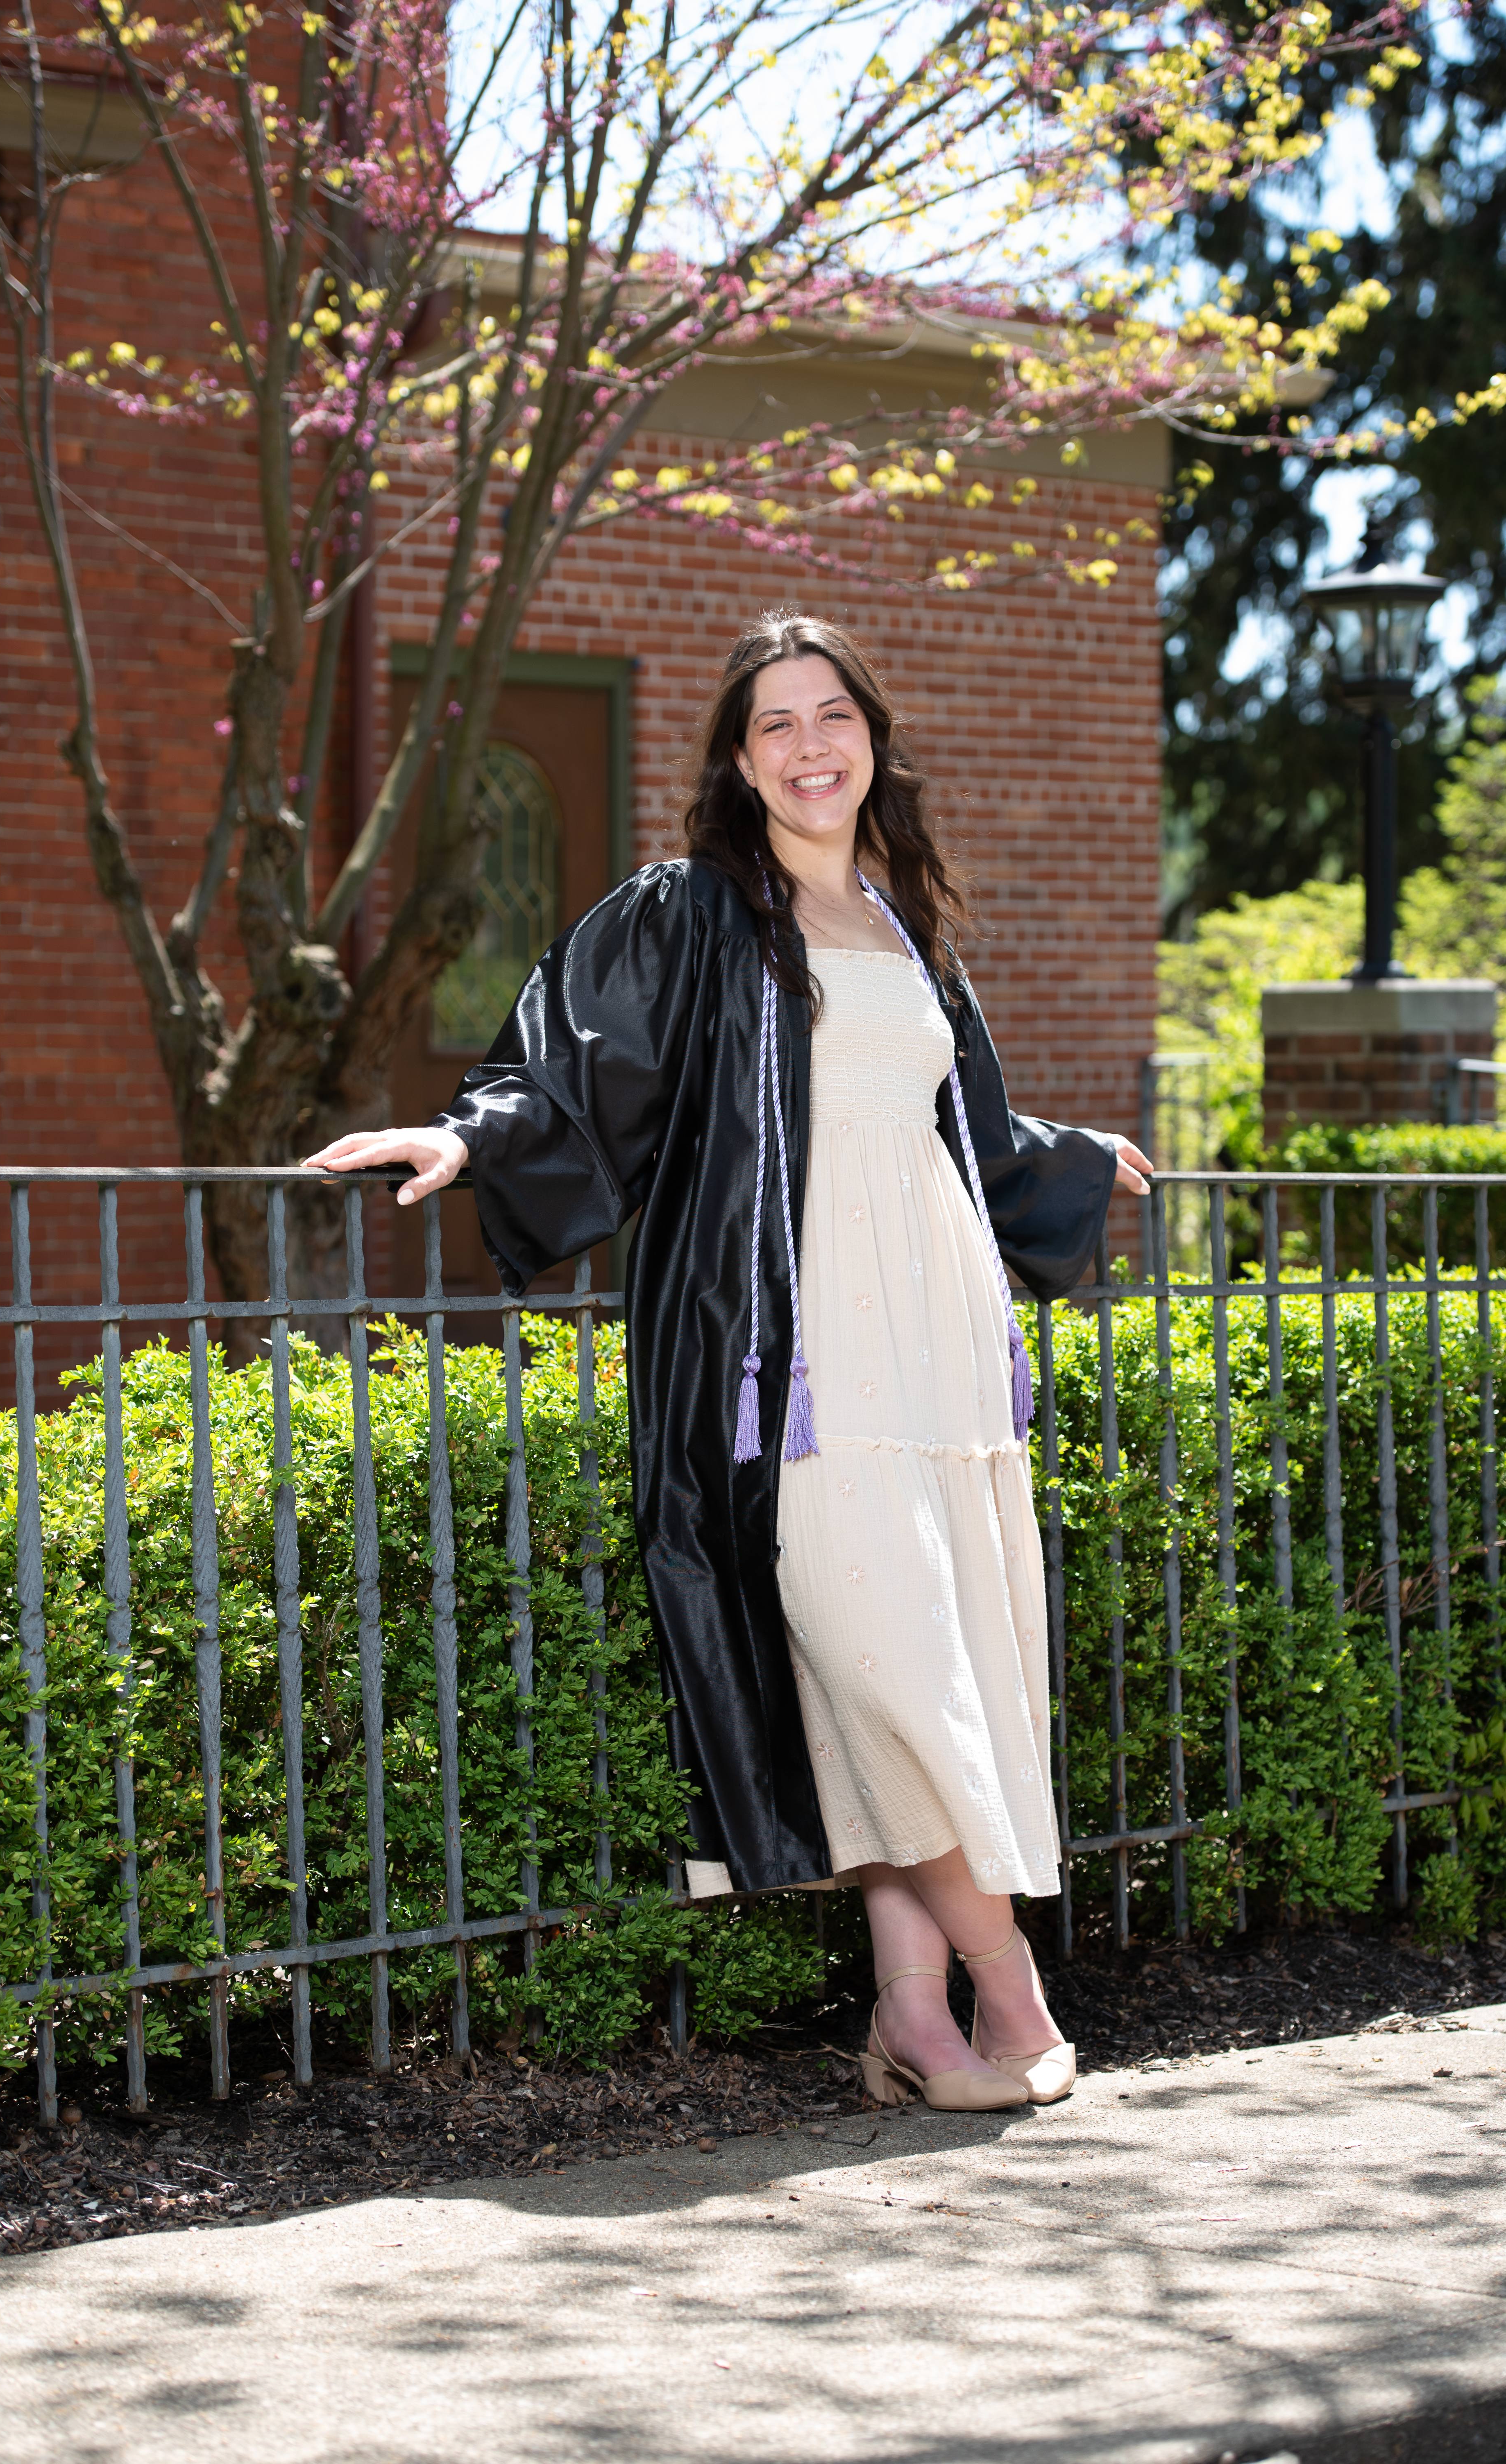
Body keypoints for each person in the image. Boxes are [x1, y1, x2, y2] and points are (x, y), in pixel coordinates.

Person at [307, 611, 1152, 2113]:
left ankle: (915, 2014)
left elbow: (961, 1131)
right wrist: (464, 1134)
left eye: (834, 714)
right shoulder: (692, 913)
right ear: (739, 760)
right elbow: (575, 1065)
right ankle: (1014, 1986)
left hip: (945, 1349)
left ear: (871, 739)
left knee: (910, 1679)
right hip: (795, 1345)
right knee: (874, 1660)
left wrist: (1078, 1166)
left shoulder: (905, 922)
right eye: (776, 723)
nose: (811, 744)